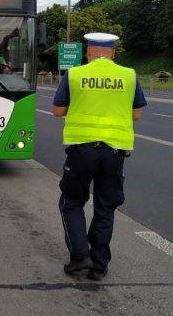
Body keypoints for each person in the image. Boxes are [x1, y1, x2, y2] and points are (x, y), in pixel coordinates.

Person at [52, 32, 147, 281]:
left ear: (88, 52)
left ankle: (79, 256)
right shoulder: (129, 75)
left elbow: (57, 111)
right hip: (115, 150)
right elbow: (136, 115)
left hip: (82, 150)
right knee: (106, 207)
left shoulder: (74, 74)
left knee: (72, 202)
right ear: (114, 53)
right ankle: (99, 265)